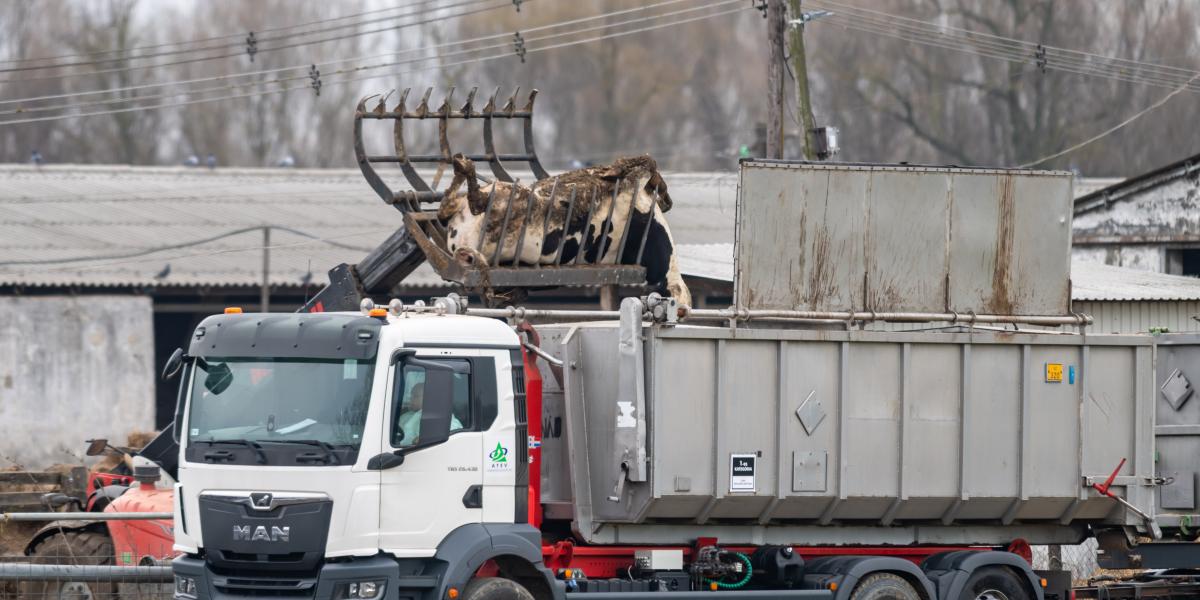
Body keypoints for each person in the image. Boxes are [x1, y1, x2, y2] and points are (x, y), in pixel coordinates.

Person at [395, 383, 462, 446]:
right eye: (411, 396)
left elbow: (454, 432)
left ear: (428, 397)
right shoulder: (406, 415)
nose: (411, 399)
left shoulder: (439, 415)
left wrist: (428, 439)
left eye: (415, 396)